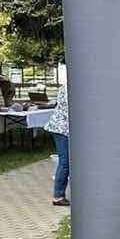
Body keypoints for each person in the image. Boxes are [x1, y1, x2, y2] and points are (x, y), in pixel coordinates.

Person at [46, 75, 70, 206]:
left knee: (66, 161)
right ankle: (58, 196)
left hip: (62, 127)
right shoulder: (69, 89)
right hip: (61, 128)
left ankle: (59, 194)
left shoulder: (68, 86)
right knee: (65, 161)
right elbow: (70, 111)